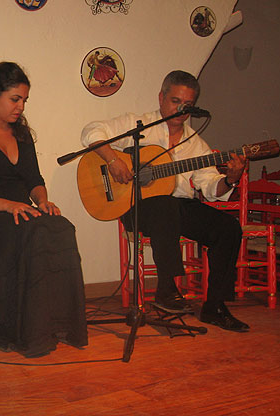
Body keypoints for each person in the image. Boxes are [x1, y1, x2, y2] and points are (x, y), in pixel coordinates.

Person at [81, 70, 249, 332]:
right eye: (175, 101)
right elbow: (91, 131)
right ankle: (167, 289)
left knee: (228, 228)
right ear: (161, 98)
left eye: (188, 105)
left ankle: (214, 307)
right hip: (137, 206)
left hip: (179, 208)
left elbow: (211, 188)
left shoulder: (197, 144)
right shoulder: (138, 124)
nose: (182, 109)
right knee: (165, 205)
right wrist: (113, 160)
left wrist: (232, 178)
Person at [0, 62, 88, 357]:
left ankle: (53, 321)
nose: (21, 107)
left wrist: (42, 200)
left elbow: (33, 180)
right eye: (15, 99)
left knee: (61, 228)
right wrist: (9, 205)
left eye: (24, 100)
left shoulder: (22, 136)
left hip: (19, 210)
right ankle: (19, 324)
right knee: (28, 235)